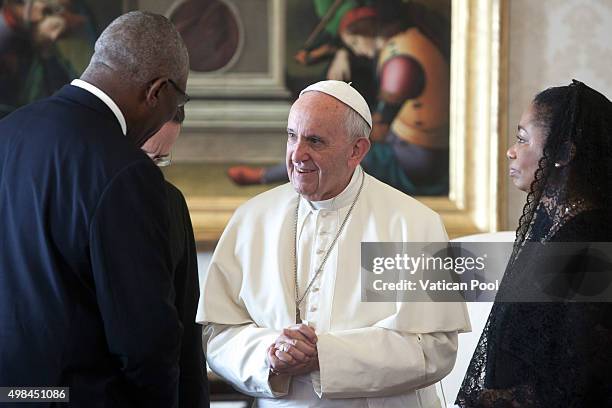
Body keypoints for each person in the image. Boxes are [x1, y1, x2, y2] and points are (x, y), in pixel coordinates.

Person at [198, 80, 470, 407]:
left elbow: (435, 348)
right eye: (291, 136)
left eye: (314, 140)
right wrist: (269, 353)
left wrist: (324, 357)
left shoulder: (410, 224)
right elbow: (220, 334)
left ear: (357, 150)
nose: (297, 154)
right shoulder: (252, 219)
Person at [0, 11, 191, 407]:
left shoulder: (9, 133)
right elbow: (145, 340)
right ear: (156, 91)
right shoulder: (125, 170)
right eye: (175, 101)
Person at [456, 80, 612, 407]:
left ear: (563, 153)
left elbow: (583, 376)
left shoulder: (589, 242)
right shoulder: (552, 227)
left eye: (522, 139)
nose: (511, 150)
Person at [228, 1, 450, 196]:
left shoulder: (400, 62)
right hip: (406, 145)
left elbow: (379, 130)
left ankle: (265, 176)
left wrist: (330, 138)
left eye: (354, 44)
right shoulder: (404, 42)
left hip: (414, 160)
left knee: (331, 153)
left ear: (367, 33)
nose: (357, 51)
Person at [141, 108, 210, 408]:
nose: (152, 171)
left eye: (161, 159)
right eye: (145, 156)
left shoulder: (171, 202)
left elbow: (188, 311)